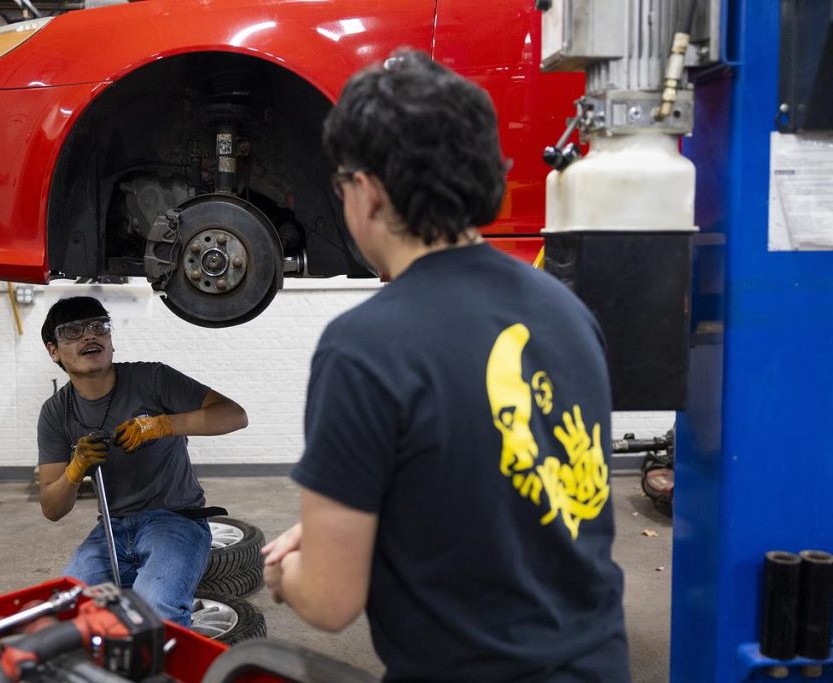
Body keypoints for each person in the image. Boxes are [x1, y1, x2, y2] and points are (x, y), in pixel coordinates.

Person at [262, 50, 631, 681]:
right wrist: (350, 536)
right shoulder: (565, 310)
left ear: (368, 192)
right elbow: (508, 504)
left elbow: (329, 601)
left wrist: (288, 571)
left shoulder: (364, 346)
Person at [37, 296, 247, 626]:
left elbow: (234, 415)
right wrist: (74, 470)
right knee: (64, 612)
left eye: (99, 326)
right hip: (111, 528)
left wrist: (162, 424)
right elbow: (52, 508)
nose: (90, 336)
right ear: (53, 350)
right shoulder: (55, 412)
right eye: (73, 331)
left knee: (154, 615)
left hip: (176, 519)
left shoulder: (153, 379)